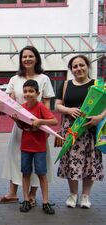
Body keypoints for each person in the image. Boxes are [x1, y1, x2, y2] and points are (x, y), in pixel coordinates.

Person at [0, 46, 55, 205]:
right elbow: (9, 101)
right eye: (24, 57)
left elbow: (47, 103)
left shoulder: (44, 79)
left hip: (38, 128)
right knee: (15, 158)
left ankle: (32, 194)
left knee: (39, 162)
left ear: (36, 58)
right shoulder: (14, 79)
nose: (27, 59)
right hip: (19, 127)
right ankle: (12, 193)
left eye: (30, 56)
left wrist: (45, 128)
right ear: (21, 60)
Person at [55, 54, 105, 209]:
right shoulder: (65, 85)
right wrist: (69, 110)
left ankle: (85, 196)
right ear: (71, 69)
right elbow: (57, 105)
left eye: (81, 65)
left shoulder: (98, 84)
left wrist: (99, 117)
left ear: (87, 66)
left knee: (90, 162)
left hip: (90, 129)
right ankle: (73, 194)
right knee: (71, 162)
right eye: (75, 66)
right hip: (72, 130)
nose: (78, 69)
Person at [13, 80, 57, 215]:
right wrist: (15, 120)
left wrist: (41, 121)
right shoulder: (22, 107)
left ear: (38, 93)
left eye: (31, 91)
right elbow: (22, 127)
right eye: (25, 91)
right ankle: (26, 200)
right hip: (25, 146)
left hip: (39, 147)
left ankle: (45, 202)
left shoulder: (41, 107)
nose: (28, 94)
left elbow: (54, 121)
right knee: (25, 173)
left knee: (41, 174)